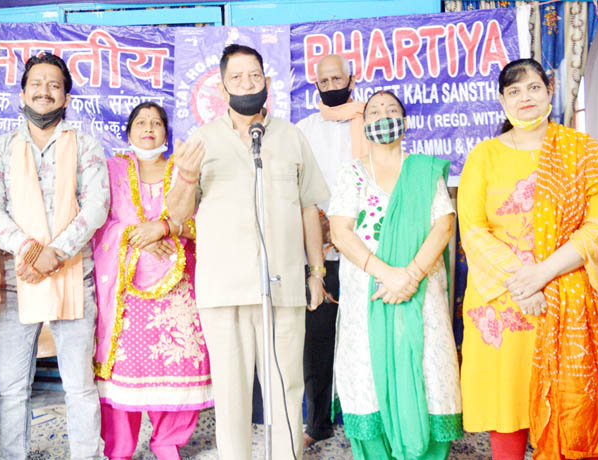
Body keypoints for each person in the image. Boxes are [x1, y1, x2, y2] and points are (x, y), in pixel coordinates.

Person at [458, 58, 598, 460]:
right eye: (514, 90)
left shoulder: (583, 152)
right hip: (503, 301)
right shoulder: (483, 156)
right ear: (502, 100)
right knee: (508, 410)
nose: (525, 97)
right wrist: (521, 287)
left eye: (534, 88)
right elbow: (473, 231)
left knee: (569, 411)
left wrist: (541, 274)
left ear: (550, 92)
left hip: (564, 297)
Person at [165, 44, 329, 460]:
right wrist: (185, 176)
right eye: (236, 78)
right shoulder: (202, 141)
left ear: (267, 82)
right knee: (232, 393)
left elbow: (310, 206)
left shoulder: (291, 137)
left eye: (254, 76)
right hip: (223, 289)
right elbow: (179, 215)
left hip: (284, 285)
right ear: (222, 88)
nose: (247, 84)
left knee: (287, 387)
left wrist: (316, 272)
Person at [0, 52, 109, 460]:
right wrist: (32, 251)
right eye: (37, 83)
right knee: (13, 388)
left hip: (74, 278)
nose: (44, 91)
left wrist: (57, 252)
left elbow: (96, 206)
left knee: (80, 385)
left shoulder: (86, 145)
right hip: (17, 281)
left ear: (66, 96)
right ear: (22, 92)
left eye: (54, 85)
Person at [328, 90, 463, 460]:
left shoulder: (423, 171)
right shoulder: (351, 173)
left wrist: (411, 276)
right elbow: (340, 232)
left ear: (404, 123)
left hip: (420, 294)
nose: (383, 115)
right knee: (367, 378)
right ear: (364, 124)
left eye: (391, 110)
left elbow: (443, 225)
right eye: (374, 111)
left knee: (429, 373)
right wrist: (387, 274)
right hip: (367, 295)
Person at [92, 101, 213, 460]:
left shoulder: (184, 170)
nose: (148, 128)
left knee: (176, 364)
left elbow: (202, 222)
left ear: (166, 132)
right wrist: (134, 234)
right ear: (128, 132)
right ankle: (120, 449)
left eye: (156, 123)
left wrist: (166, 231)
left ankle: (167, 443)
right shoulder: (111, 170)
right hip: (124, 294)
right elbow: (99, 221)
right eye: (141, 123)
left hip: (177, 292)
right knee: (122, 373)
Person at [295, 54, 366, 447]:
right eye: (324, 81)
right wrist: (319, 224)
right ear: (316, 84)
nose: (331, 85)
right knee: (316, 344)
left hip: (366, 250)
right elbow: (298, 184)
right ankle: (317, 423)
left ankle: (363, 422)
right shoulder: (304, 130)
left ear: (351, 79)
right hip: (319, 254)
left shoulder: (370, 122)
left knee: (364, 342)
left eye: (337, 78)